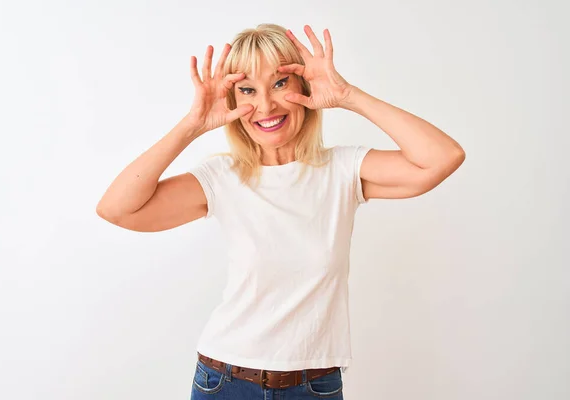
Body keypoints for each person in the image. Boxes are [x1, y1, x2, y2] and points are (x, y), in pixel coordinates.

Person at [96, 23, 465, 400]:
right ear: (233, 101)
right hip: (225, 382)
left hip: (314, 386)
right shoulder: (221, 178)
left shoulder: (341, 170)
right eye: (247, 90)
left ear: (303, 88)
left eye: (279, 83)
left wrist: (347, 95)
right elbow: (117, 209)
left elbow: (442, 158)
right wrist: (192, 125)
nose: (266, 106)